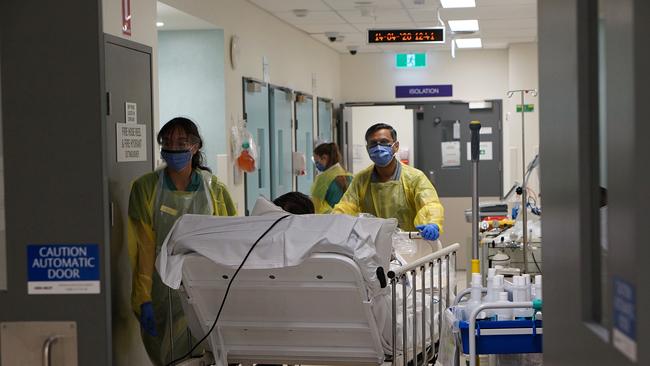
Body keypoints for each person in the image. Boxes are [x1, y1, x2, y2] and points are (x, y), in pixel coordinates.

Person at [127, 117, 237, 365]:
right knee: (169, 357)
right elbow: (142, 248)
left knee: (207, 356)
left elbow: (231, 242)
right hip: (162, 291)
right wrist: (142, 298)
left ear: (196, 146)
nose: (173, 147)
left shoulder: (214, 190)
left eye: (181, 142)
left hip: (207, 288)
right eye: (167, 141)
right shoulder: (145, 189)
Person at [332, 123, 444, 240]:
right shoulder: (361, 180)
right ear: (367, 148)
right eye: (373, 143)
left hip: (409, 247)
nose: (378, 147)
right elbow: (346, 206)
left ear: (396, 146)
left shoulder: (415, 178)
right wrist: (334, 222)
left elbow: (430, 204)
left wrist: (432, 223)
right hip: (372, 247)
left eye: (384, 142)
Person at [310, 142, 353, 214]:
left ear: (324, 158)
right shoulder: (350, 176)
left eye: (316, 161)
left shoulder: (322, 179)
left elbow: (316, 205)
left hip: (330, 221)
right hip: (349, 220)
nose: (316, 165)